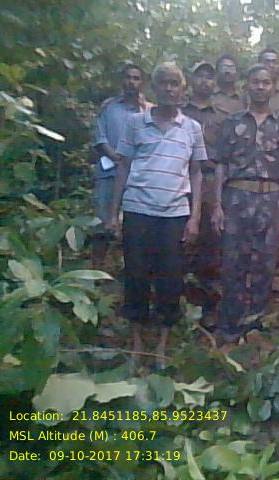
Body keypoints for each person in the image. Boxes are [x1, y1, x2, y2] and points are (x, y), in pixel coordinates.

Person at [107, 62, 206, 362]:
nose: (169, 89)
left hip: (174, 214)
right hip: (138, 209)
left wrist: (195, 217)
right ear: (154, 87)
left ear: (182, 89)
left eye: (175, 83)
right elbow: (123, 167)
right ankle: (136, 341)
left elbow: (196, 173)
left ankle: (162, 345)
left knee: (170, 279)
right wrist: (113, 213)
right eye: (163, 83)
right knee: (136, 276)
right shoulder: (136, 123)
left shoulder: (192, 128)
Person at [211, 64, 279, 342]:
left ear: (274, 86)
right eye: (256, 82)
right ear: (246, 85)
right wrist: (217, 206)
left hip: (271, 200)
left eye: (266, 82)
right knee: (232, 263)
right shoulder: (231, 122)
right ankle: (230, 326)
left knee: (266, 264)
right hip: (236, 198)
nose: (260, 87)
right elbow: (220, 165)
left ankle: (256, 325)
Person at [92, 63, 149, 269]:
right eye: (128, 77)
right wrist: (117, 158)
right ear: (121, 81)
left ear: (142, 83)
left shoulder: (148, 110)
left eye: (136, 78)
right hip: (109, 173)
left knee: (134, 225)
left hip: (138, 176)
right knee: (103, 224)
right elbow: (99, 138)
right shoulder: (109, 107)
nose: (131, 82)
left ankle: (127, 269)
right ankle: (96, 271)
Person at [182, 61, 224, 318]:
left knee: (209, 244)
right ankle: (178, 303)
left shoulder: (221, 118)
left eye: (210, 77)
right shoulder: (178, 112)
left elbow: (223, 160)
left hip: (209, 181)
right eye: (200, 76)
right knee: (177, 240)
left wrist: (219, 201)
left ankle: (208, 306)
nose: (205, 81)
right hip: (178, 180)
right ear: (191, 79)